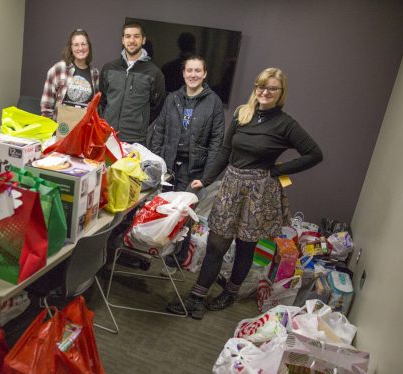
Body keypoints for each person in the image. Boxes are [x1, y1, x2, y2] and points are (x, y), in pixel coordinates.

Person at [166, 67, 323, 319]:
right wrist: (205, 180)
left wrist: (278, 169)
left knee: (245, 246)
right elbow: (225, 152)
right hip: (231, 185)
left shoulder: (285, 124)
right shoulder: (243, 113)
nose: (265, 92)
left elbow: (314, 154)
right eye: (261, 86)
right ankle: (196, 296)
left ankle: (231, 292)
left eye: (272, 88)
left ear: (281, 93)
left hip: (259, 191)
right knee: (217, 243)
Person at [150, 55, 225, 274]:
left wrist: (206, 177)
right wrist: (158, 164)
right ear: (183, 73)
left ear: (204, 74)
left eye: (197, 71)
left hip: (194, 171)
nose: (193, 75)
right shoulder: (172, 98)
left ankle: (175, 261)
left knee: (184, 218)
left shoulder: (214, 102)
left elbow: (216, 142)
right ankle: (156, 251)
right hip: (170, 168)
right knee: (164, 212)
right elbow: (159, 131)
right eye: (189, 70)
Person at [99, 21, 166, 145]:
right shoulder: (109, 68)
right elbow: (103, 101)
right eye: (128, 36)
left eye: (136, 36)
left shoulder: (154, 73)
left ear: (143, 40)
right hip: (107, 136)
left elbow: (157, 107)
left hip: (135, 141)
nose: (132, 40)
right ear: (122, 40)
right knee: (104, 165)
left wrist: (140, 123)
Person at [40, 29, 99, 121]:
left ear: (89, 46)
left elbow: (96, 108)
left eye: (83, 44)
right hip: (61, 128)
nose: (80, 48)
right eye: (76, 45)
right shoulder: (58, 69)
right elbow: (46, 105)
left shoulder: (95, 74)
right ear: (71, 48)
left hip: (84, 130)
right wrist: (49, 130)